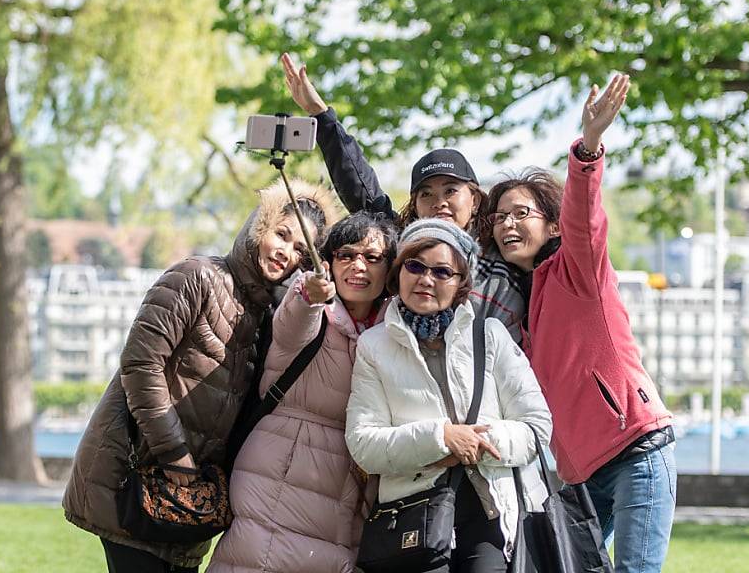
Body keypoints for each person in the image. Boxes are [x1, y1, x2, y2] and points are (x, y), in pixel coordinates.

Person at [62, 178, 339, 573]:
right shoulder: (196, 276)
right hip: (136, 476)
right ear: (260, 226)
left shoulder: (265, 315)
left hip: (189, 499)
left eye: (300, 249)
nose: (285, 252)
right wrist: (175, 454)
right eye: (281, 234)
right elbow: (141, 365)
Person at [478, 74, 676, 573]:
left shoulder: (578, 270)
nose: (507, 224)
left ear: (551, 224)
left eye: (520, 213)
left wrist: (588, 147)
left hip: (635, 450)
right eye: (499, 217)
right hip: (580, 473)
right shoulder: (514, 303)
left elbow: (584, 216)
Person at [345, 218, 552, 573]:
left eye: (442, 272)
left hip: (493, 513)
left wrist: (478, 442)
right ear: (398, 273)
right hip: (413, 518)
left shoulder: (490, 335)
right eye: (415, 266)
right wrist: (440, 439)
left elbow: (536, 426)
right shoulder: (373, 346)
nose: (426, 280)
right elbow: (363, 444)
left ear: (460, 284)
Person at [280, 52, 525, 343]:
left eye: (450, 190)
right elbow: (361, 188)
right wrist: (321, 116)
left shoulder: (502, 257)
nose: (439, 201)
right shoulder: (403, 248)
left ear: (474, 199)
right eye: (426, 193)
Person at [207, 212, 398, 573]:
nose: (358, 266)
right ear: (329, 262)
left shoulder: (393, 329)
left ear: (389, 268)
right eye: (346, 255)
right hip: (281, 469)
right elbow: (294, 322)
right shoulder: (314, 308)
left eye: (372, 257)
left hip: (349, 485)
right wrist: (310, 294)